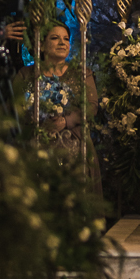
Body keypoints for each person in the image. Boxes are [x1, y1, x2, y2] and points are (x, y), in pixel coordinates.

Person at [19, 23, 102, 197]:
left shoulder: (81, 73)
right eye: (55, 38)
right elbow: (16, 108)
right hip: (37, 150)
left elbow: (91, 107)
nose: (62, 43)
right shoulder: (26, 75)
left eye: (66, 39)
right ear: (41, 44)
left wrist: (66, 121)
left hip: (75, 149)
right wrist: (40, 120)